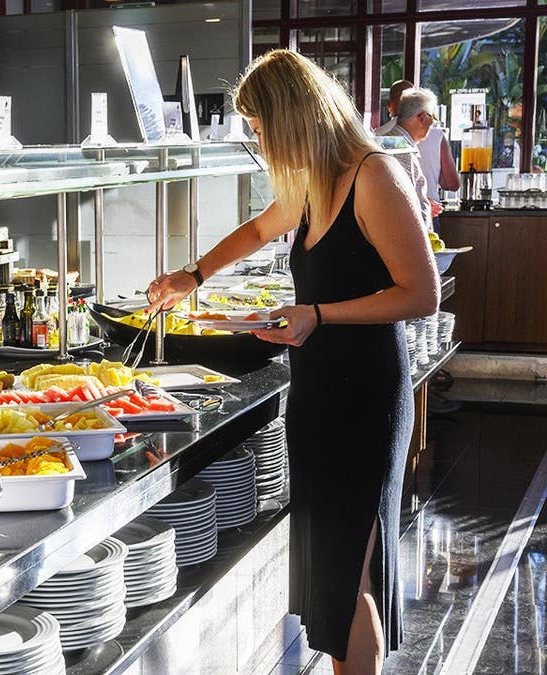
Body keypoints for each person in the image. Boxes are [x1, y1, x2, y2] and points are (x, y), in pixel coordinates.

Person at [145, 50, 439, 675]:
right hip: (318, 393)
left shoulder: (373, 175)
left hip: (365, 397)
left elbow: (421, 293)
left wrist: (319, 314)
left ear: (292, 118)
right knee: (331, 582)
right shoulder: (312, 181)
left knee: (350, 577)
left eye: (259, 128)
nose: (257, 142)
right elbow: (256, 230)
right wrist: (191, 275)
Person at [379, 88, 437, 230]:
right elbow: (405, 204)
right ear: (422, 118)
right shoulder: (401, 149)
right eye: (433, 117)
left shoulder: (391, 142)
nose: (433, 124)